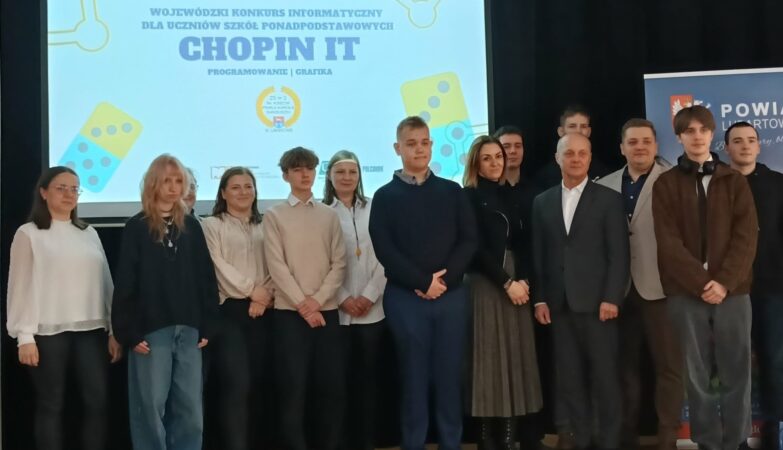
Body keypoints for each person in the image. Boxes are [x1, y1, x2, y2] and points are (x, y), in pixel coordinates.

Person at [369, 116, 477, 450]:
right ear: (397, 148)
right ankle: (413, 443)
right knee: (413, 378)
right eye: (412, 143)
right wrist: (421, 282)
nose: (420, 149)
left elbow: (469, 239)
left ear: (432, 145)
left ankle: (451, 443)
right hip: (405, 299)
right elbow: (384, 247)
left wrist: (442, 281)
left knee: (449, 377)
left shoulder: (452, 191)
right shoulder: (384, 196)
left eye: (425, 142)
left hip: (450, 296)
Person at [652, 105, 757, 450]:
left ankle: (736, 439)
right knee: (695, 373)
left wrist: (723, 282)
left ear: (712, 135)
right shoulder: (665, 184)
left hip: (733, 291)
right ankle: (708, 441)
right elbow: (668, 241)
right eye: (689, 131)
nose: (697, 137)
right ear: (679, 137)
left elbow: (746, 237)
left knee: (736, 369)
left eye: (703, 130)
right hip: (685, 292)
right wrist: (700, 283)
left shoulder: (735, 181)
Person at [6, 166, 121, 450]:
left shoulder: (88, 232)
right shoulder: (29, 233)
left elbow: (106, 282)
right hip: (48, 332)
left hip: (91, 330)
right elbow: (19, 286)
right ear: (44, 192)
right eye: (61, 188)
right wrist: (24, 336)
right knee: (51, 403)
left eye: (75, 189)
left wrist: (113, 328)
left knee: (97, 401)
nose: (69, 194)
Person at [112, 154, 220, 450]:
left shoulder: (192, 226)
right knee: (150, 408)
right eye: (167, 181)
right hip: (151, 331)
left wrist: (208, 324)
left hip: (189, 330)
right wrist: (128, 331)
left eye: (178, 181)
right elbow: (126, 282)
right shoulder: (137, 227)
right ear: (153, 184)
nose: (174, 187)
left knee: (191, 412)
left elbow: (206, 278)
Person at [532, 133, 629, 450]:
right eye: (569, 153)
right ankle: (582, 440)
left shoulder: (609, 199)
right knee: (570, 380)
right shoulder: (542, 201)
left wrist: (612, 298)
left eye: (582, 153)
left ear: (589, 157)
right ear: (557, 158)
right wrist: (541, 298)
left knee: (605, 380)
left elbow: (619, 254)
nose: (575, 158)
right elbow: (539, 256)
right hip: (559, 306)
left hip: (599, 305)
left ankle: (609, 442)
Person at [596, 119, 683, 450]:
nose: (640, 147)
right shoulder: (603, 185)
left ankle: (668, 437)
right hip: (616, 290)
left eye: (646, 141)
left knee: (669, 366)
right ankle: (625, 435)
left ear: (656, 145)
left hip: (661, 287)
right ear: (622, 148)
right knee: (622, 367)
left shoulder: (673, 180)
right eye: (632, 142)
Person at [263, 147, 347, 450]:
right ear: (286, 175)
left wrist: (317, 301)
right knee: (292, 391)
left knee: (330, 391)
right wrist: (304, 305)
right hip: (290, 315)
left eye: (309, 169)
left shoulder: (329, 215)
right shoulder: (274, 215)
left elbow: (340, 263)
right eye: (297, 169)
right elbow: (277, 266)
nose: (305, 175)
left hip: (326, 313)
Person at [463, 135, 543, 450]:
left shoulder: (512, 195)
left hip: (517, 285)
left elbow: (525, 242)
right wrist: (506, 282)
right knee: (488, 360)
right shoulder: (468, 197)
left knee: (514, 358)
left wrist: (522, 280)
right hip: (486, 283)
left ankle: (509, 439)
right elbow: (474, 248)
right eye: (487, 158)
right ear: (476, 163)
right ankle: (487, 439)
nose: (495, 163)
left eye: (498, 156)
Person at [201, 167, 275, 450]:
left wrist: (264, 295)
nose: (243, 192)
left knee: (259, 384)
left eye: (248, 186)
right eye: (235, 187)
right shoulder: (212, 225)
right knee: (236, 386)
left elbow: (277, 262)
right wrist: (251, 290)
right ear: (223, 193)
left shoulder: (267, 223)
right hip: (229, 313)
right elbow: (217, 265)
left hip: (265, 310)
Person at [323, 150, 387, 450]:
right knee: (337, 385)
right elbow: (321, 261)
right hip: (337, 312)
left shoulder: (376, 208)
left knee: (368, 385)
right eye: (340, 172)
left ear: (360, 175)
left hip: (373, 310)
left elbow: (385, 254)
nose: (347, 177)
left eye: (352, 171)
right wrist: (343, 298)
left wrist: (370, 295)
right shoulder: (323, 213)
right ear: (329, 176)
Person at [724, 121, 782, 449]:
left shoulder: (778, 184)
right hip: (731, 291)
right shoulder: (717, 186)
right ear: (726, 148)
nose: (745, 146)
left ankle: (775, 433)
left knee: (774, 362)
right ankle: (738, 436)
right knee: (736, 365)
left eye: (750, 140)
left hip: (773, 289)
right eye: (737, 141)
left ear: (759, 146)